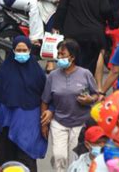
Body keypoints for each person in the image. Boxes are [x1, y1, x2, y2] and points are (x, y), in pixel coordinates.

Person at [0, 36, 47, 171]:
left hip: (29, 123)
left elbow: (46, 97)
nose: (22, 53)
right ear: (13, 50)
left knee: (27, 157)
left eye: (25, 50)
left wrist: (46, 118)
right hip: (7, 121)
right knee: (8, 159)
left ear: (30, 50)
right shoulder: (6, 69)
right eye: (19, 50)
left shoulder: (37, 72)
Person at [41, 39, 100, 172]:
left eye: (63, 54)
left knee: (76, 158)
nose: (59, 57)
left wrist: (90, 99)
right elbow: (45, 100)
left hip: (80, 123)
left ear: (72, 57)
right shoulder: (52, 76)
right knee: (59, 156)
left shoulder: (85, 74)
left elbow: (96, 95)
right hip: (59, 122)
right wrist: (44, 124)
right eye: (58, 54)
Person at [53, 0, 111, 74]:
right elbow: (106, 10)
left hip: (72, 34)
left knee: (73, 65)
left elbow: (61, 10)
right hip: (93, 35)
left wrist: (56, 27)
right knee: (89, 68)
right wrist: (112, 23)